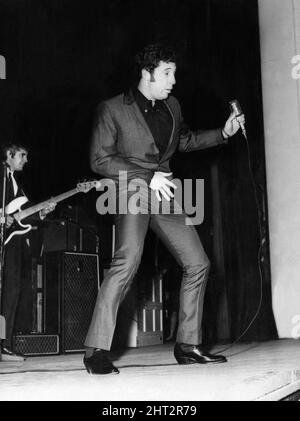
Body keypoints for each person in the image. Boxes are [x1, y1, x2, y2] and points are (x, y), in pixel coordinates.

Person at [84, 43, 245, 374]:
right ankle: (96, 350)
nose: (173, 80)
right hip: (131, 189)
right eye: (167, 73)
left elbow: (184, 141)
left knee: (198, 262)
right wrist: (147, 175)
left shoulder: (172, 105)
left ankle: (187, 345)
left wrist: (223, 133)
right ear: (147, 74)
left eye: (174, 73)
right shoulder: (112, 108)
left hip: (165, 192)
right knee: (126, 262)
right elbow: (100, 159)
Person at [0, 143, 55, 361]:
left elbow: (22, 214)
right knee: (8, 293)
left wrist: (42, 212)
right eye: (22, 155)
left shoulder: (14, 182)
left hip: (13, 242)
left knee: (11, 295)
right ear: (9, 154)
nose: (26, 160)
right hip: (7, 242)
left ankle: (5, 344)